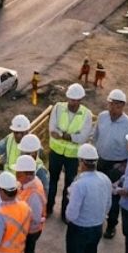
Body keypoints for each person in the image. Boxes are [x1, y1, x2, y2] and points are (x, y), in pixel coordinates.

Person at [53, 143, 110, 253]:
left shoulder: (79, 184)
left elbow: (71, 214)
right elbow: (108, 204)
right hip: (97, 228)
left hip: (79, 230)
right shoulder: (105, 180)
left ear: (82, 163)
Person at [92, 89, 128, 238]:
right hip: (100, 161)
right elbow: (95, 136)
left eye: (118, 105)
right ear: (108, 103)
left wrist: (124, 167)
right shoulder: (102, 117)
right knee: (98, 191)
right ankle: (96, 218)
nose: (114, 108)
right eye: (111, 104)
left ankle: (111, 225)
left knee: (114, 196)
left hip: (117, 165)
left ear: (123, 106)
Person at [47, 83, 94, 220]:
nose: (74, 103)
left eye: (77, 100)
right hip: (56, 152)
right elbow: (52, 131)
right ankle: (49, 208)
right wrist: (72, 136)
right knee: (52, 182)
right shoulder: (58, 108)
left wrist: (62, 135)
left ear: (81, 100)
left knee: (69, 186)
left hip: (73, 156)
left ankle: (65, 213)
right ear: (67, 98)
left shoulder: (86, 114)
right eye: (72, 100)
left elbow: (82, 138)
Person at [14, 155, 46, 253]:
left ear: (28, 174)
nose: (16, 177)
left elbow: (34, 217)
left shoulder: (33, 193)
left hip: (30, 233)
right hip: (28, 231)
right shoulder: (29, 185)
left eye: (18, 174)